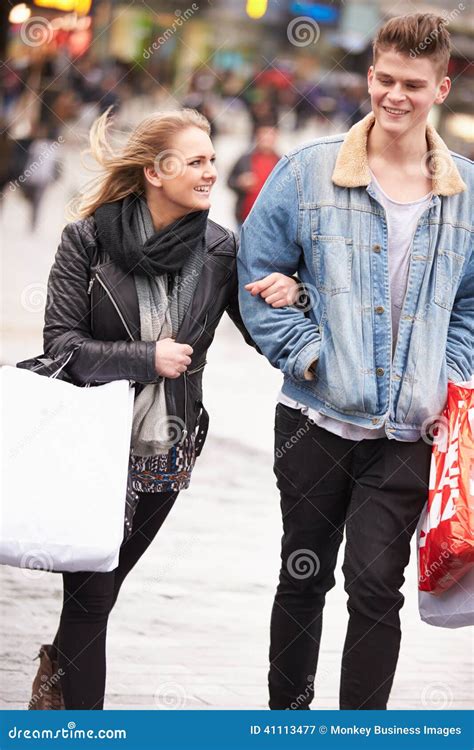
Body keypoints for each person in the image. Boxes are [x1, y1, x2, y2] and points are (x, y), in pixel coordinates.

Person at [238, 14, 472, 710]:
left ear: (441, 88)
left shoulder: (465, 191)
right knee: (302, 575)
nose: (395, 96)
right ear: (370, 77)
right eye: (386, 80)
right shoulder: (307, 170)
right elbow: (257, 274)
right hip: (314, 418)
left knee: (376, 584)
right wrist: (308, 355)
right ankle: (289, 721)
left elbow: (472, 305)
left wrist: (444, 371)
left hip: (409, 431)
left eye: (413, 84)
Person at [30, 108, 299, 710]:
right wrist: (144, 356)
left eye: (211, 160)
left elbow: (261, 336)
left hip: (168, 450)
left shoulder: (220, 250)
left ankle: (55, 678)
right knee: (92, 595)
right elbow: (61, 347)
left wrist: (289, 292)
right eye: (198, 161)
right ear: (156, 170)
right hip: (92, 443)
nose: (210, 172)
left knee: (102, 589)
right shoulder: (88, 239)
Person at [227, 124, 280, 228]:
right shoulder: (244, 159)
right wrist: (240, 182)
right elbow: (229, 181)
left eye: (270, 136)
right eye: (263, 136)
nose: (266, 139)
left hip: (271, 221)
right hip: (245, 217)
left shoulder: (281, 162)